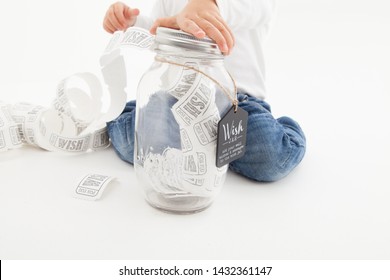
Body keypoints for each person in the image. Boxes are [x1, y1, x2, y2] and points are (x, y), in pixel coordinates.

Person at [103, 0, 306, 182]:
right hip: (179, 101)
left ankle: (281, 131)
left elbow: (259, 8)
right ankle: (131, 112)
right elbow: (159, 31)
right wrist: (132, 23)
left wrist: (211, 4)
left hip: (237, 102)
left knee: (270, 154)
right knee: (131, 143)